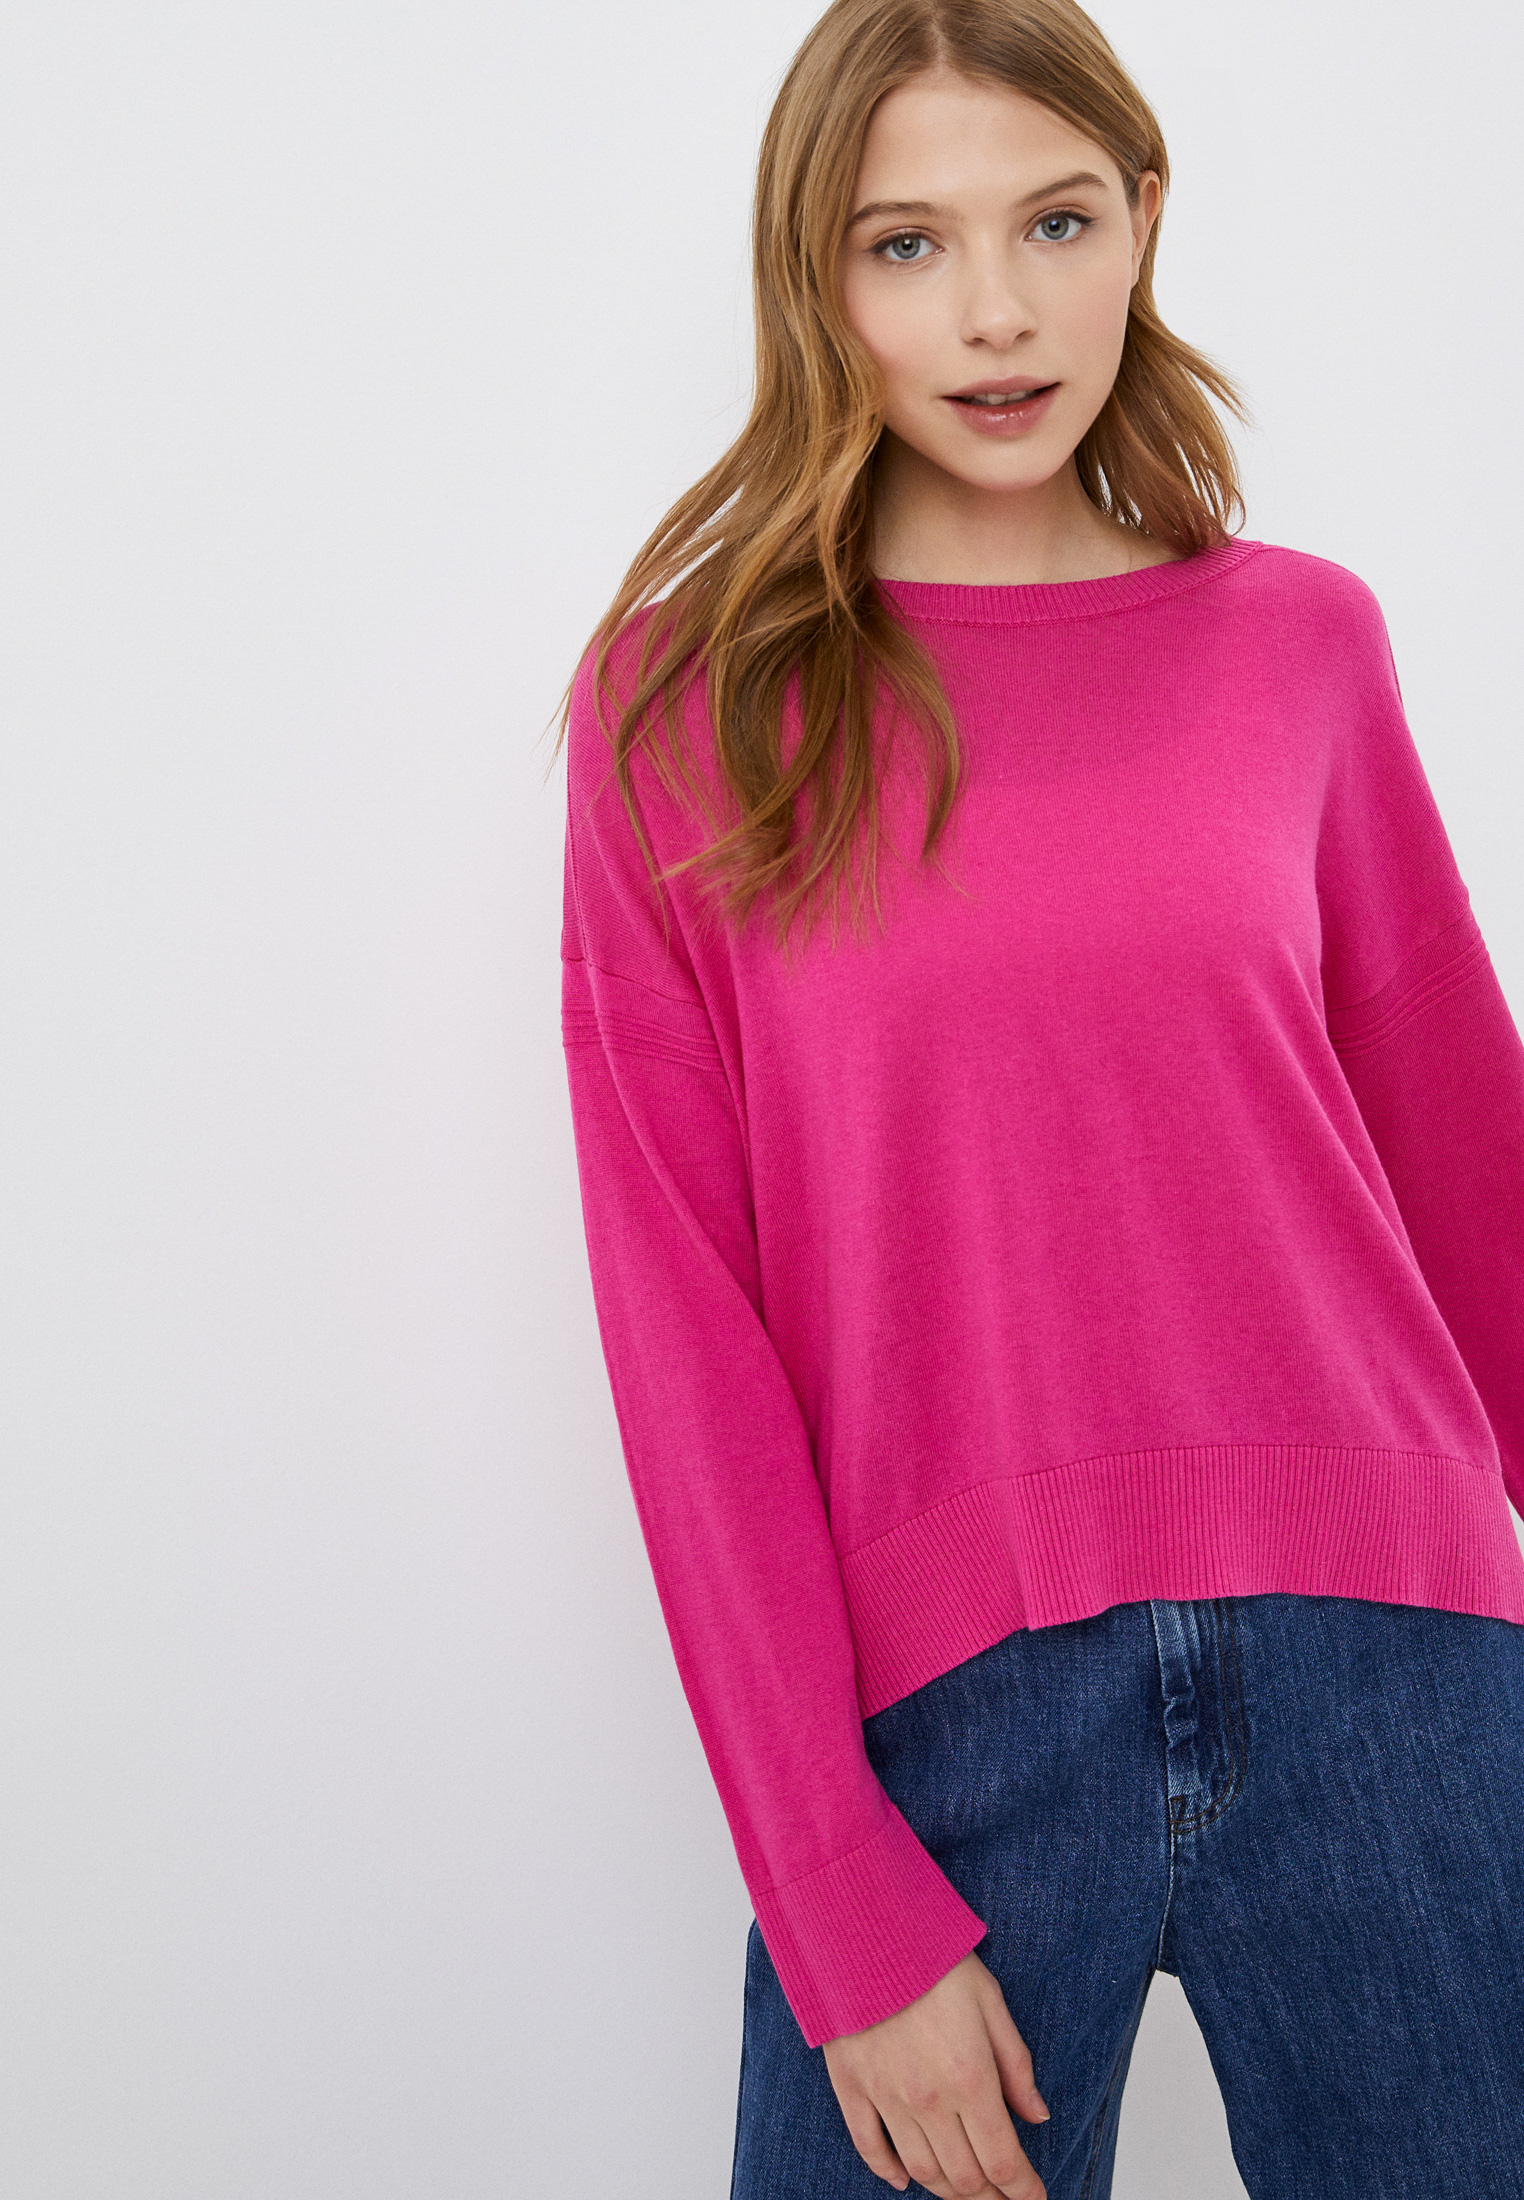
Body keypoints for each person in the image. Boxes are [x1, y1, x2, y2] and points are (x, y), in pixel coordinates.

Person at [552, 2, 1524, 2193]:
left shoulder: (1301, 647)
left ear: (1143, 222)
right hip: (949, 1731)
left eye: (1055, 222)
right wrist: (834, 1900)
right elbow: (686, 1338)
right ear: (816, 274)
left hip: (1396, 1673)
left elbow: (1474, 1171)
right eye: (907, 243)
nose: (995, 312)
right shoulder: (683, 712)